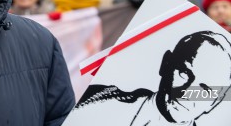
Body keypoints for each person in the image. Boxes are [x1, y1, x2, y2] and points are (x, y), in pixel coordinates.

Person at [68, 31, 231, 126]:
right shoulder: (95, 101)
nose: (187, 92)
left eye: (205, 90)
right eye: (184, 73)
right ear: (165, 64)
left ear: (216, 101)